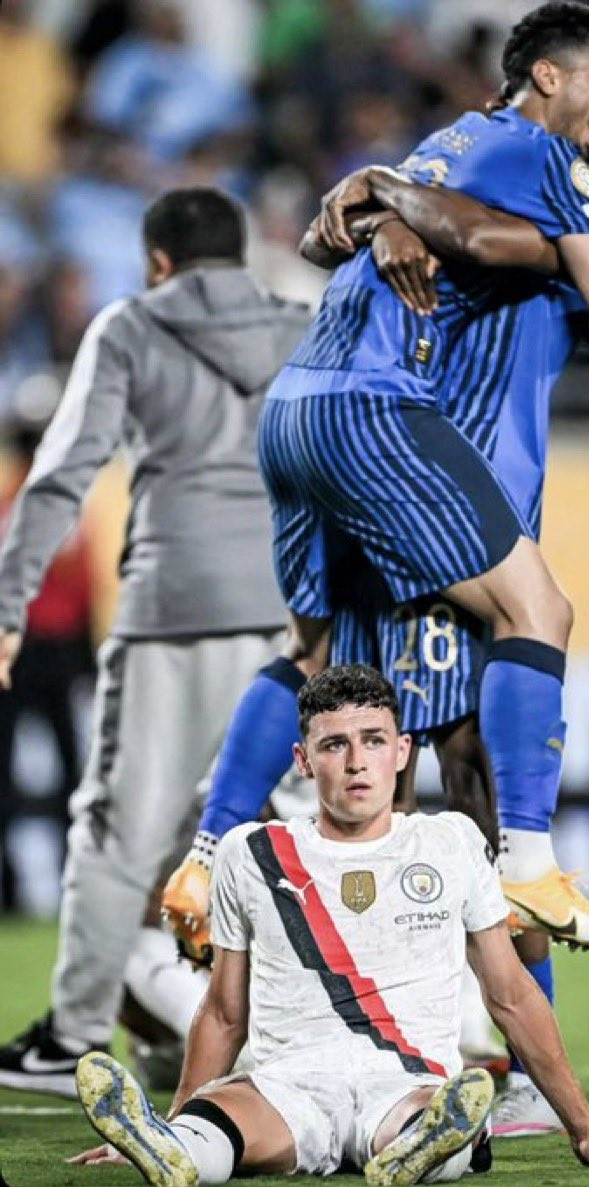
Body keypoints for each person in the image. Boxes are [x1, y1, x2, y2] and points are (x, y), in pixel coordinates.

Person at [162, 2, 589, 963]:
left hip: (313, 419)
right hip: (419, 453)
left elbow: (458, 240)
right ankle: (490, 955)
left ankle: (210, 860)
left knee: (319, 660)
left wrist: (391, 200)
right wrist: (397, 205)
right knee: (466, 732)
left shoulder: (447, 157)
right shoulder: (553, 166)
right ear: (546, 77)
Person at [72, 666, 589, 1185]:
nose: (357, 762)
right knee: (217, 1123)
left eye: (373, 740)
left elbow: (511, 994)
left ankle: (425, 1147)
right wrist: (178, 1116)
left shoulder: (450, 842)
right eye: (335, 745)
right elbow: (226, 1013)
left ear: (403, 751)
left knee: (437, 1116)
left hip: (407, 1085)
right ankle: (173, 1146)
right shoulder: (251, 852)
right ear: (303, 761)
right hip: (287, 1088)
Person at [0, 186, 310, 1094]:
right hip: (290, 612)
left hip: (171, 605)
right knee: (292, 833)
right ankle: (329, 1032)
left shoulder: (131, 326)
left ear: (157, 262)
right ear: (241, 257)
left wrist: (9, 601)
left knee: (121, 829)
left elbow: (61, 474)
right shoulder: (301, 327)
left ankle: (73, 1035)